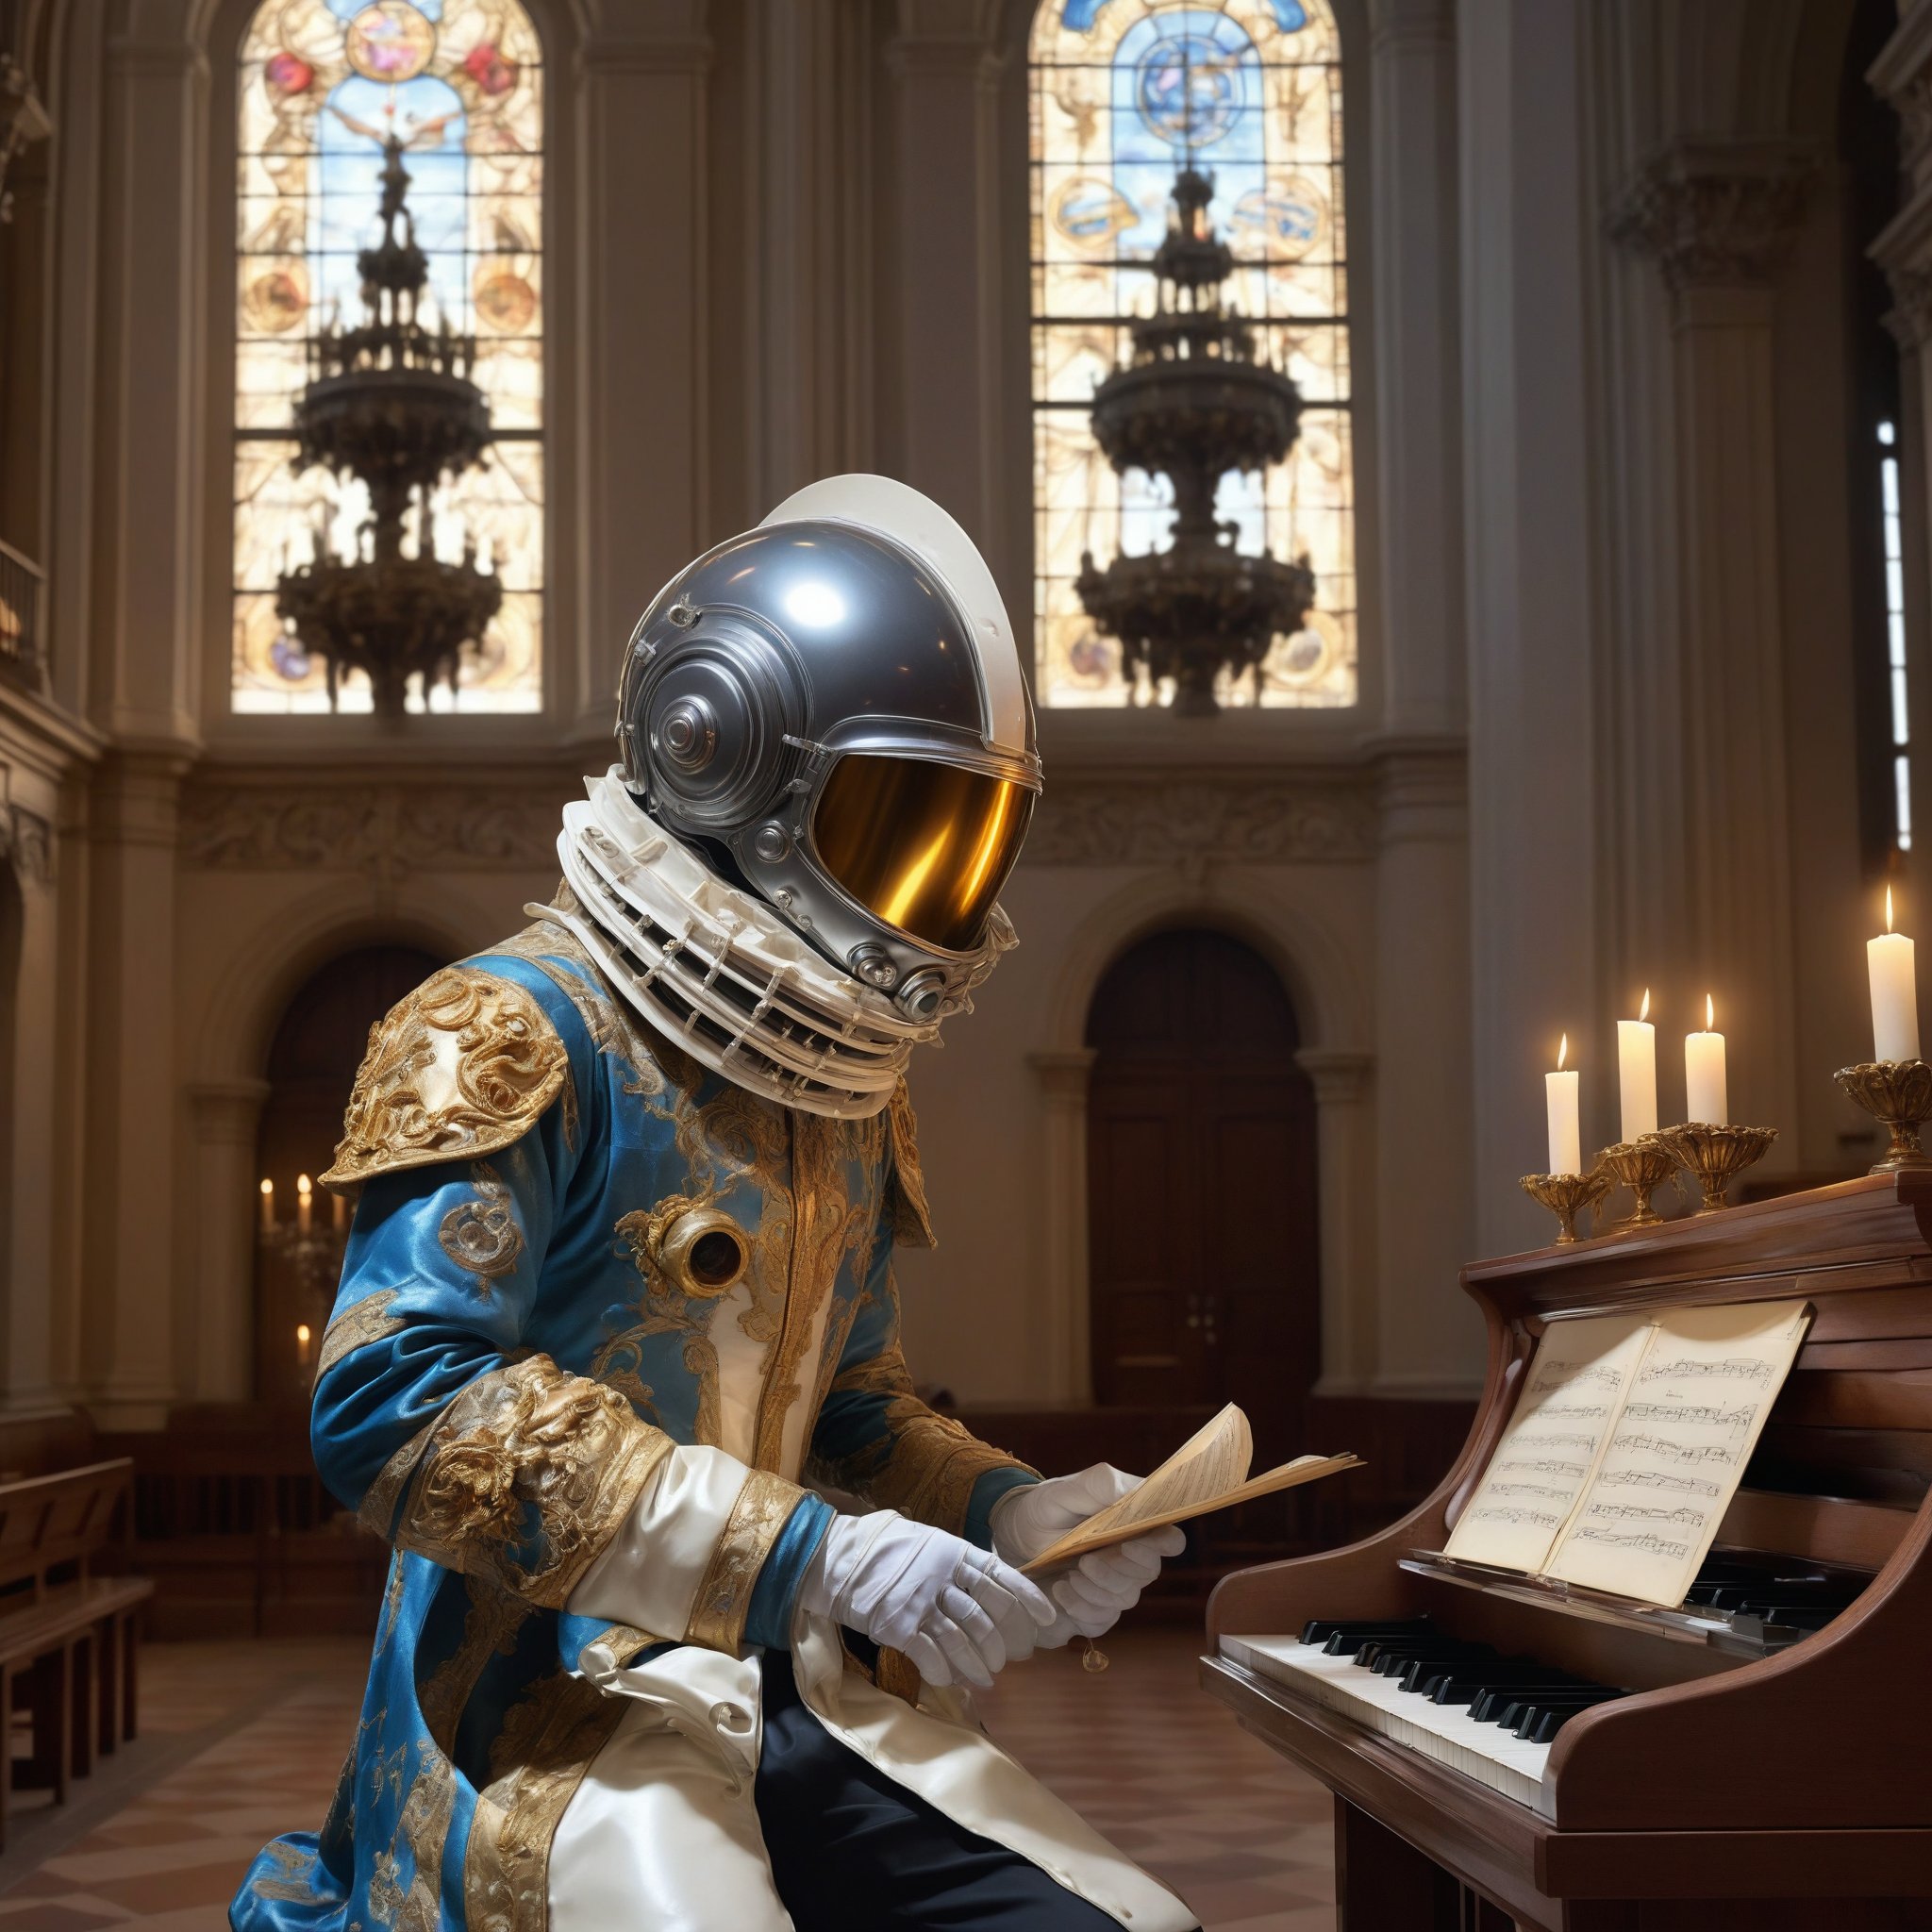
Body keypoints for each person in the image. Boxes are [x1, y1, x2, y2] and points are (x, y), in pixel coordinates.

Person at [233, 475, 1198, 1932]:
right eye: (893, 820)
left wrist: (1013, 1511)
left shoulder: (847, 1084)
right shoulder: (502, 1027)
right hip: (546, 1703)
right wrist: (813, 1550)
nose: (923, 890)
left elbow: (853, 1402)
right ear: (721, 759)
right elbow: (394, 1400)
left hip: (804, 1678)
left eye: (962, 836)